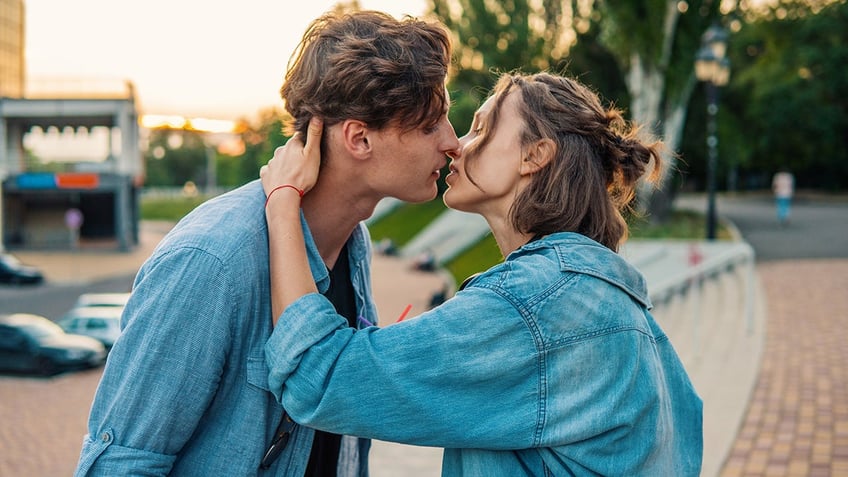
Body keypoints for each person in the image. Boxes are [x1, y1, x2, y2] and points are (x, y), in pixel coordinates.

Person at [260, 72, 704, 476]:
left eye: (480, 128)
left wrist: (283, 201)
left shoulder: (530, 305)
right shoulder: (618, 304)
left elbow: (318, 374)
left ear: (534, 155)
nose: (457, 144)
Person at [74, 10, 458, 476]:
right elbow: (120, 463)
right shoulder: (212, 260)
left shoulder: (354, 242)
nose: (452, 142)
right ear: (359, 138)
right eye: (430, 125)